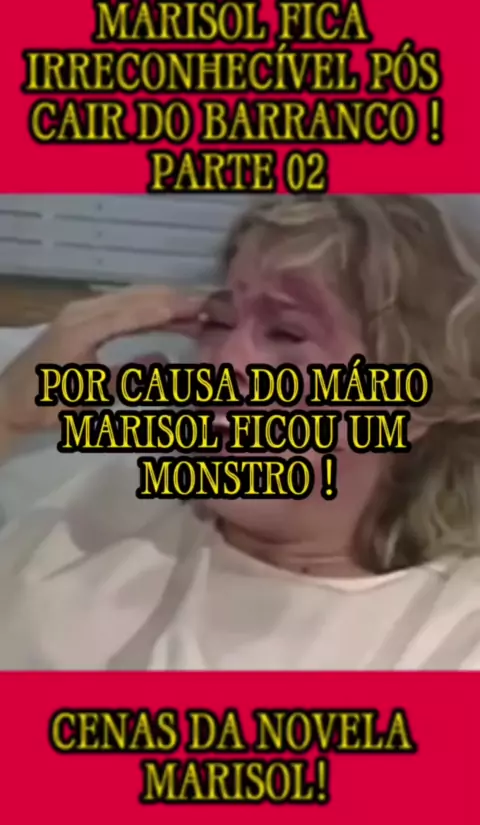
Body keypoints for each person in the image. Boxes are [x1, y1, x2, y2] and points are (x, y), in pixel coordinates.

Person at [0, 194, 479, 670]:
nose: (224, 363)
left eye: (288, 332)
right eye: (221, 321)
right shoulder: (109, 505)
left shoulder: (453, 639)